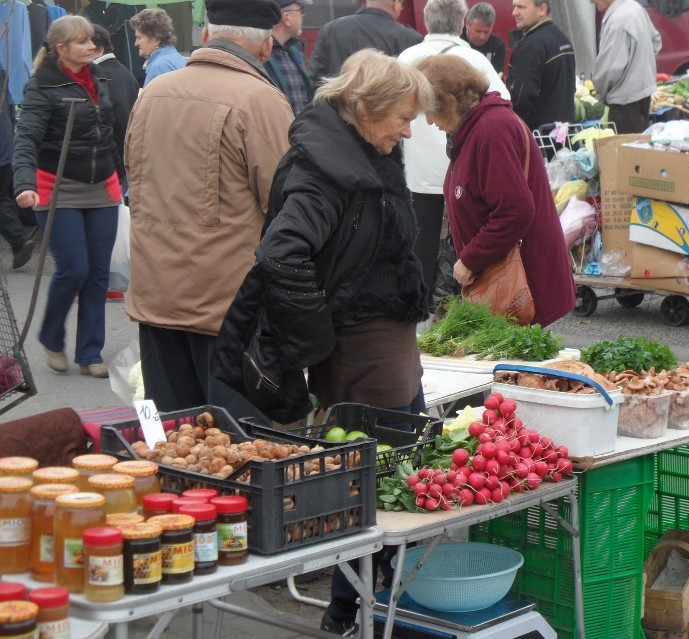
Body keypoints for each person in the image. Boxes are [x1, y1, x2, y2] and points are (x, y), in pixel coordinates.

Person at [212, 49, 435, 636]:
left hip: (384, 340)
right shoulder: (323, 169)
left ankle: (369, 606)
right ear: (365, 107)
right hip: (362, 350)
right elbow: (281, 255)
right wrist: (315, 335)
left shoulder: (367, 149)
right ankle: (351, 612)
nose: (408, 130)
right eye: (403, 117)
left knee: (380, 477)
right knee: (376, 483)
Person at [124, 0, 292, 419]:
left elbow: (133, 175)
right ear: (266, 47)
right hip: (228, 310)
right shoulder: (261, 100)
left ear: (204, 35)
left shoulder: (153, 93)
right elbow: (287, 204)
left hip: (156, 295)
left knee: (178, 448)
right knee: (240, 453)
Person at [416, 54, 575, 327]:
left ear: (450, 102)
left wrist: (470, 259)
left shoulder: (492, 129)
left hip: (521, 284)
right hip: (500, 282)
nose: (429, 120)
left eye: (430, 109)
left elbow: (515, 210)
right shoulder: (473, 129)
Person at [12, 15, 123, 378]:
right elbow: (26, 138)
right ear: (61, 48)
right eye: (82, 42)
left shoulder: (102, 78)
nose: (92, 46)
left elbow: (116, 129)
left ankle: (90, 352)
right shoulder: (42, 85)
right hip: (55, 184)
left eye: (92, 40)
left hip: (102, 184)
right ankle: (51, 335)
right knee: (75, 267)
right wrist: (23, 183)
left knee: (98, 273)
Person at [398, 0, 508, 310]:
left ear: (426, 22)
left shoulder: (406, 58)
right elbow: (503, 103)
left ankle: (419, 317)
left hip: (418, 176)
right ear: (461, 24)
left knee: (420, 250)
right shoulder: (472, 59)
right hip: (463, 175)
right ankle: (454, 311)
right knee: (461, 248)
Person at [591, 0, 661, 134]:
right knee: (639, 148)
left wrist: (601, 94)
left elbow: (608, 69)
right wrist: (640, 66)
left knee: (627, 152)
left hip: (624, 103)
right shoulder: (634, 8)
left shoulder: (619, 19)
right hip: (641, 96)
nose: (591, 2)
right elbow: (656, 41)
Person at [309, 0, 422, 80]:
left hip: (337, 110)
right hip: (387, 111)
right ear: (396, 4)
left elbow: (316, 75)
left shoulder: (330, 29)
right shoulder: (410, 38)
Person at [506, 0, 575, 131]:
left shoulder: (531, 45)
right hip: (565, 133)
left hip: (540, 138)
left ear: (542, 10)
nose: (514, 12)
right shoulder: (563, 39)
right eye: (514, 6)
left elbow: (520, 98)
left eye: (521, 7)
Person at [91, 25, 139, 191]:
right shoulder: (125, 71)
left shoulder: (97, 76)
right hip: (129, 158)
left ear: (99, 50)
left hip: (111, 164)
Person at [1, 63, 35, 270]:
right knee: (2, 197)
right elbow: (11, 106)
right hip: (5, 146)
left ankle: (19, 240)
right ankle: (19, 241)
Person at [264, 0, 314, 116]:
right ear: (286, 18)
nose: (303, 16)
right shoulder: (262, 55)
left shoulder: (291, 51)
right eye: (300, 11)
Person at [129, 8, 186, 88]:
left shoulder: (159, 67)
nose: (136, 43)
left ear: (156, 39)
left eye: (139, 38)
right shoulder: (176, 58)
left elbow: (154, 100)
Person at [462, 2, 507, 76]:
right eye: (478, 31)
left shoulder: (498, 46)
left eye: (486, 32)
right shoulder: (457, 39)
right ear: (467, 24)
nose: (482, 37)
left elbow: (498, 75)